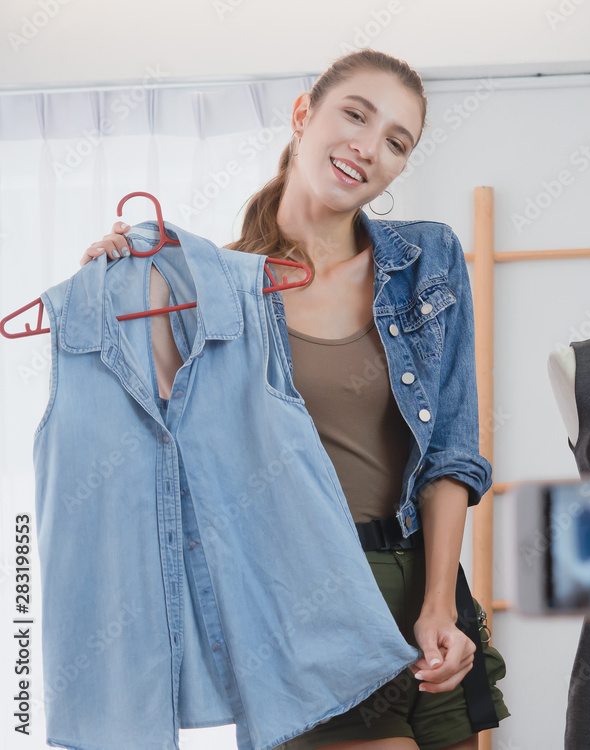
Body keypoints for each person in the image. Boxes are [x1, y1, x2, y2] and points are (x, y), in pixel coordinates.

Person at [80, 48, 509, 750]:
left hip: (425, 587)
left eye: (397, 142)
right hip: (302, 602)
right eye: (356, 115)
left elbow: (453, 453)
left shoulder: (428, 260)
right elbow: (165, 449)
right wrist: (126, 294)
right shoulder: (211, 287)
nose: (369, 148)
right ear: (304, 113)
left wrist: (440, 606)